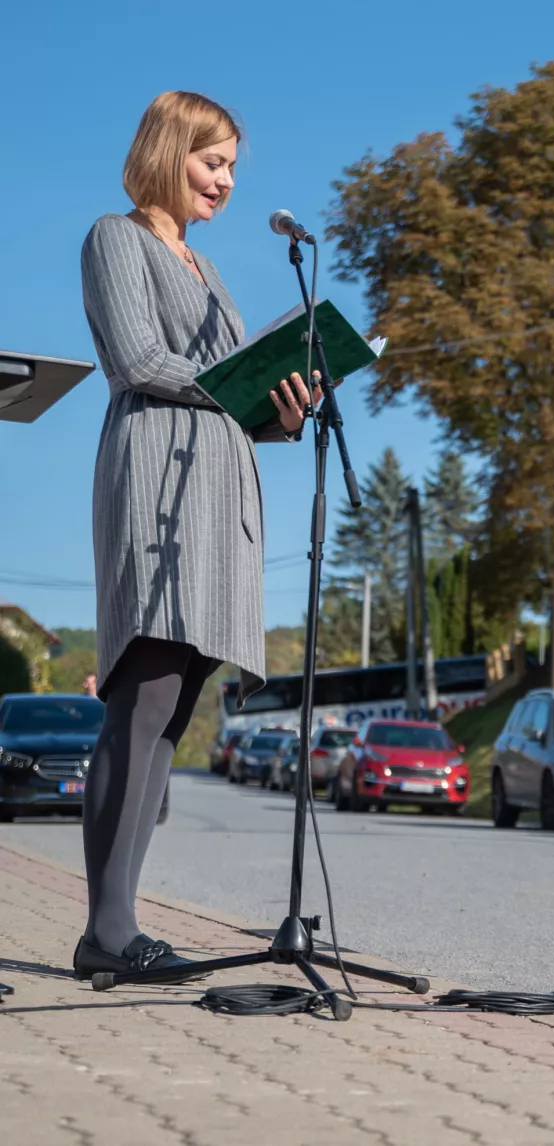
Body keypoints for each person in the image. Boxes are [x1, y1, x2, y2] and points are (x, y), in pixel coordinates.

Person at [76, 92, 319, 980]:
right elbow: (141, 362)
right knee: (138, 702)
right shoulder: (117, 238)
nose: (223, 181)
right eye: (212, 162)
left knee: (174, 710)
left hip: (221, 489)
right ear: (170, 148)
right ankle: (107, 930)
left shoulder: (210, 271)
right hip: (156, 476)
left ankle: (114, 926)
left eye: (230, 169)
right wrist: (239, 386)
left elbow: (231, 391)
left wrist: (284, 407)